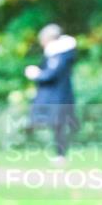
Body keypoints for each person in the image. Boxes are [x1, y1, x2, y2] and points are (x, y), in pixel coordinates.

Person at [24, 24, 78, 163]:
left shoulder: (59, 54)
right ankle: (60, 155)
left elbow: (51, 75)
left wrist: (35, 74)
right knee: (56, 125)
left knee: (58, 125)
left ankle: (61, 156)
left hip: (57, 96)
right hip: (55, 95)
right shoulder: (58, 53)